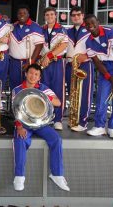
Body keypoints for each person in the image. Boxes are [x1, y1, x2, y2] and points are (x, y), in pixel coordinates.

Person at [12, 64, 70, 192]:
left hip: (40, 123)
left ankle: (57, 174)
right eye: (31, 73)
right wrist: (19, 127)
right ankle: (19, 176)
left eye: (36, 75)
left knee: (56, 139)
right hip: (24, 124)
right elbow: (15, 111)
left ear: (39, 78)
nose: (33, 76)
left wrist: (43, 95)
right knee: (20, 141)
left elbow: (58, 102)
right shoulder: (17, 89)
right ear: (26, 74)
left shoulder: (43, 88)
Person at [84, 15, 113, 139]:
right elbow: (98, 63)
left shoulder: (111, 32)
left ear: (98, 22)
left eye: (92, 22)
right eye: (87, 24)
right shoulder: (88, 42)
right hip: (105, 66)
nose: (90, 26)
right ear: (85, 27)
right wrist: (110, 78)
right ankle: (99, 126)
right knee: (101, 96)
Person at [39, 7, 68, 130]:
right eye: (47, 15)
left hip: (57, 62)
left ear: (55, 16)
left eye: (52, 14)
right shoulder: (41, 29)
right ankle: (46, 116)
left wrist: (49, 56)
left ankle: (58, 119)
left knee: (58, 89)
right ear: (44, 17)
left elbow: (64, 45)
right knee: (44, 89)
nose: (49, 16)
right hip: (43, 63)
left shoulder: (62, 29)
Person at [65, 6, 93, 132]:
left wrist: (87, 56)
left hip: (85, 64)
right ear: (71, 17)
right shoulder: (67, 31)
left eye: (78, 14)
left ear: (83, 16)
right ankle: (73, 119)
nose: (76, 17)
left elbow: (97, 47)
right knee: (73, 94)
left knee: (85, 93)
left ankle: (83, 121)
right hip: (71, 65)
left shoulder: (89, 30)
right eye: (73, 15)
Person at [9, 5, 44, 90]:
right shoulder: (12, 27)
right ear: (17, 15)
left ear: (28, 14)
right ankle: (15, 103)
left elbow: (39, 46)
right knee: (15, 87)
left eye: (24, 13)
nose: (22, 15)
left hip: (28, 62)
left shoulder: (35, 27)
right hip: (14, 62)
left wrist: (30, 62)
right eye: (20, 13)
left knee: (28, 87)